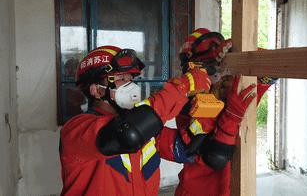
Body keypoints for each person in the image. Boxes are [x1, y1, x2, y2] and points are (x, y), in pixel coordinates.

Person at [59, 45, 211, 196]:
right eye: (120, 78)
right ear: (97, 90)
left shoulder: (147, 130)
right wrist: (181, 88)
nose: (130, 85)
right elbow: (127, 133)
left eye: (131, 78)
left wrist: (196, 104)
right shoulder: (76, 129)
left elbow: (188, 150)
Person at [173, 28, 278, 196]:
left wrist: (252, 58)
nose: (216, 73)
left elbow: (267, 76)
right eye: (208, 66)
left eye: (217, 66)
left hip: (231, 186)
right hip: (196, 190)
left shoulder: (230, 90)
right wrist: (231, 116)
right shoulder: (185, 98)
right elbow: (208, 152)